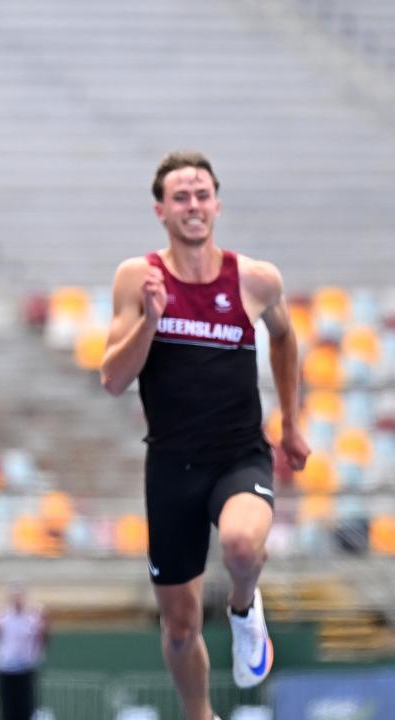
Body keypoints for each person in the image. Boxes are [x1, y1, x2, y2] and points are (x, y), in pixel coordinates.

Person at [100, 151, 311, 720]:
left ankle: (246, 611)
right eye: (180, 197)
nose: (193, 206)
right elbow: (114, 379)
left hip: (238, 457)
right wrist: (150, 318)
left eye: (201, 195)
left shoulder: (256, 279)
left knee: (244, 545)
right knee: (179, 626)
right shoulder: (137, 277)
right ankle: (200, 714)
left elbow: (287, 339)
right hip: (171, 468)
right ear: (161, 211)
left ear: (216, 203)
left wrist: (290, 423)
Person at [0, 580, 48, 720]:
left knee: (25, 707)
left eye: (20, 596)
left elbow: (41, 638)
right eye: (15, 597)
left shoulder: (33, 617)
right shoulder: (2, 616)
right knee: (8, 709)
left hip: (25, 667)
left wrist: (37, 654)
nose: (18, 600)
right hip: (6, 667)